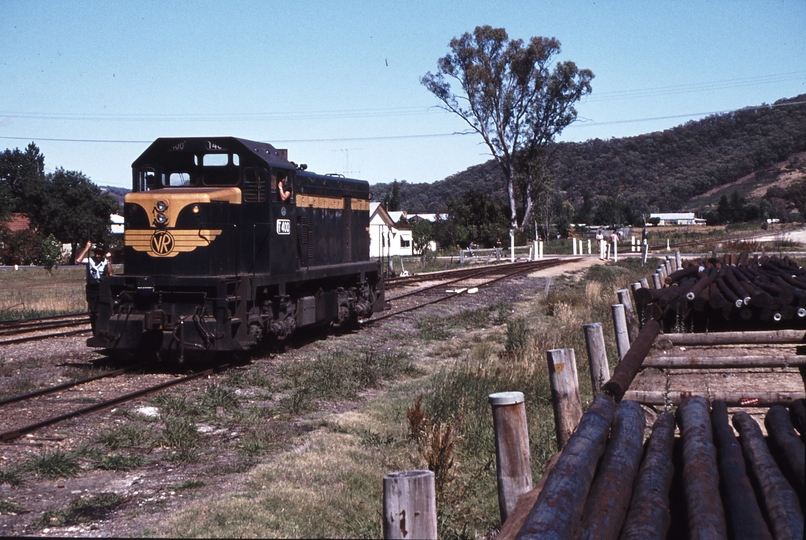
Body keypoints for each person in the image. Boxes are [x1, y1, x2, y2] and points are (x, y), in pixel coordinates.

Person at [76, 240, 113, 331]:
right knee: (93, 311)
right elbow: (78, 260)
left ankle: (104, 328)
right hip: (92, 287)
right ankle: (95, 329)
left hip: (101, 287)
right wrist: (86, 248)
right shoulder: (90, 260)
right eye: (96, 253)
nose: (97, 256)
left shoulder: (105, 262)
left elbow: (110, 274)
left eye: (99, 254)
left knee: (103, 309)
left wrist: (108, 260)